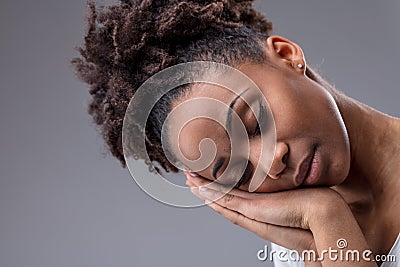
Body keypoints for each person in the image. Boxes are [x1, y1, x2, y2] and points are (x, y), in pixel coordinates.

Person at [72, 1, 400, 266]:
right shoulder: (299, 242)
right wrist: (324, 225)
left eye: (255, 122)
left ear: (287, 55)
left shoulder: (315, 226)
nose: (272, 162)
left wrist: (327, 220)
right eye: (238, 172)